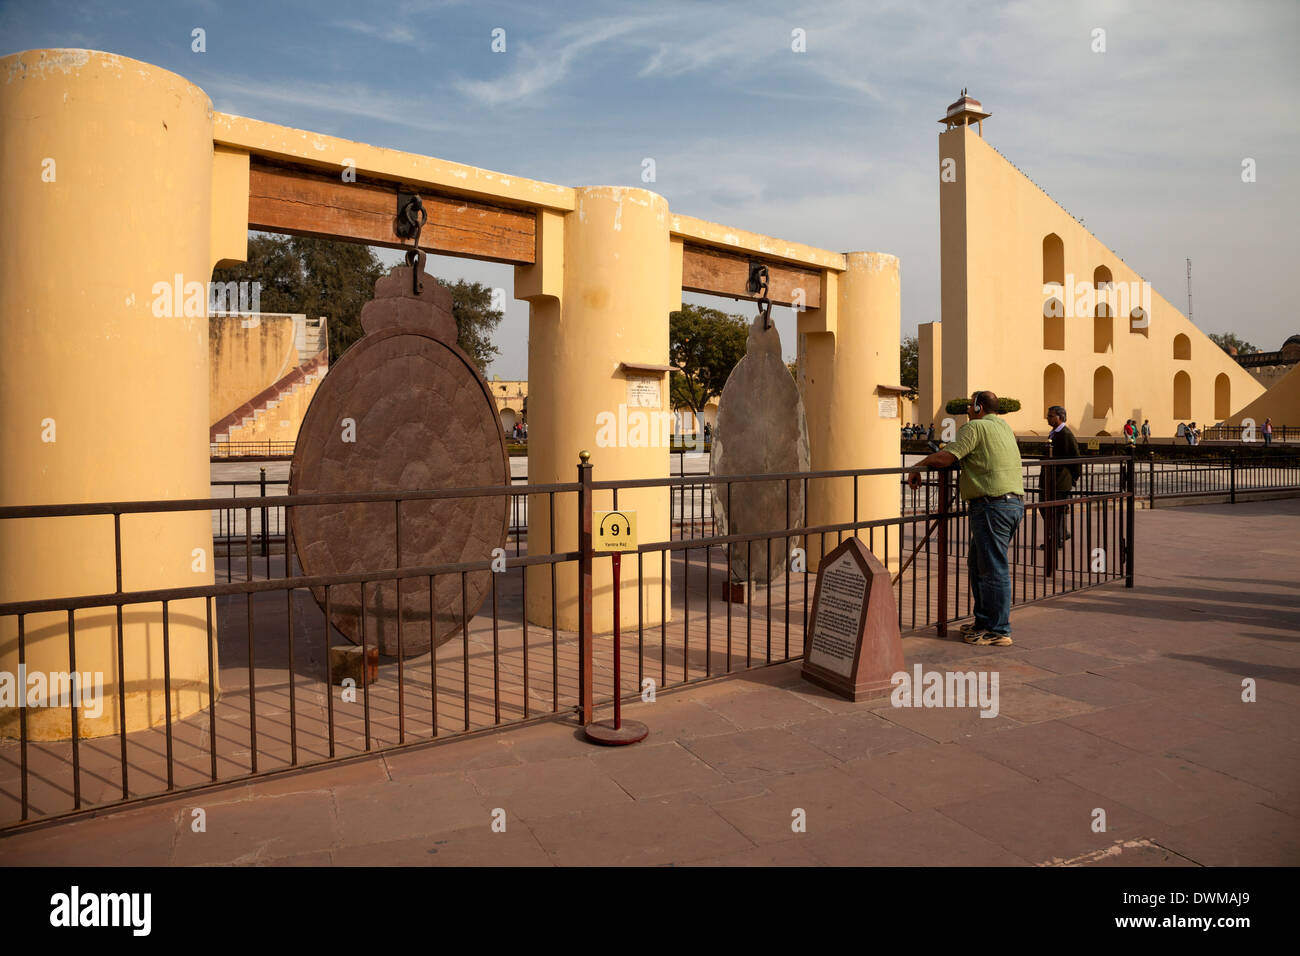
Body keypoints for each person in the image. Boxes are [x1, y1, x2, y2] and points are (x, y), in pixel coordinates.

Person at [907, 390, 1024, 646]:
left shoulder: (974, 428)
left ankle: (999, 629)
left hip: (992, 506)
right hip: (1010, 504)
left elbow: (947, 456)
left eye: (971, 407)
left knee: (993, 569)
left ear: (978, 407)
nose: (968, 411)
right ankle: (984, 621)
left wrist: (919, 465)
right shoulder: (1004, 427)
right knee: (979, 565)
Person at [1042, 406, 1081, 549]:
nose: (1048, 417)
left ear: (1060, 417)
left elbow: (1075, 457)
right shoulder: (1054, 432)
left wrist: (1073, 477)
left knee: (1056, 511)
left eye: (1051, 416)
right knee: (1049, 509)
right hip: (1051, 479)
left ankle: (1057, 540)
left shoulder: (1065, 434)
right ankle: (1062, 533)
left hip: (1060, 480)